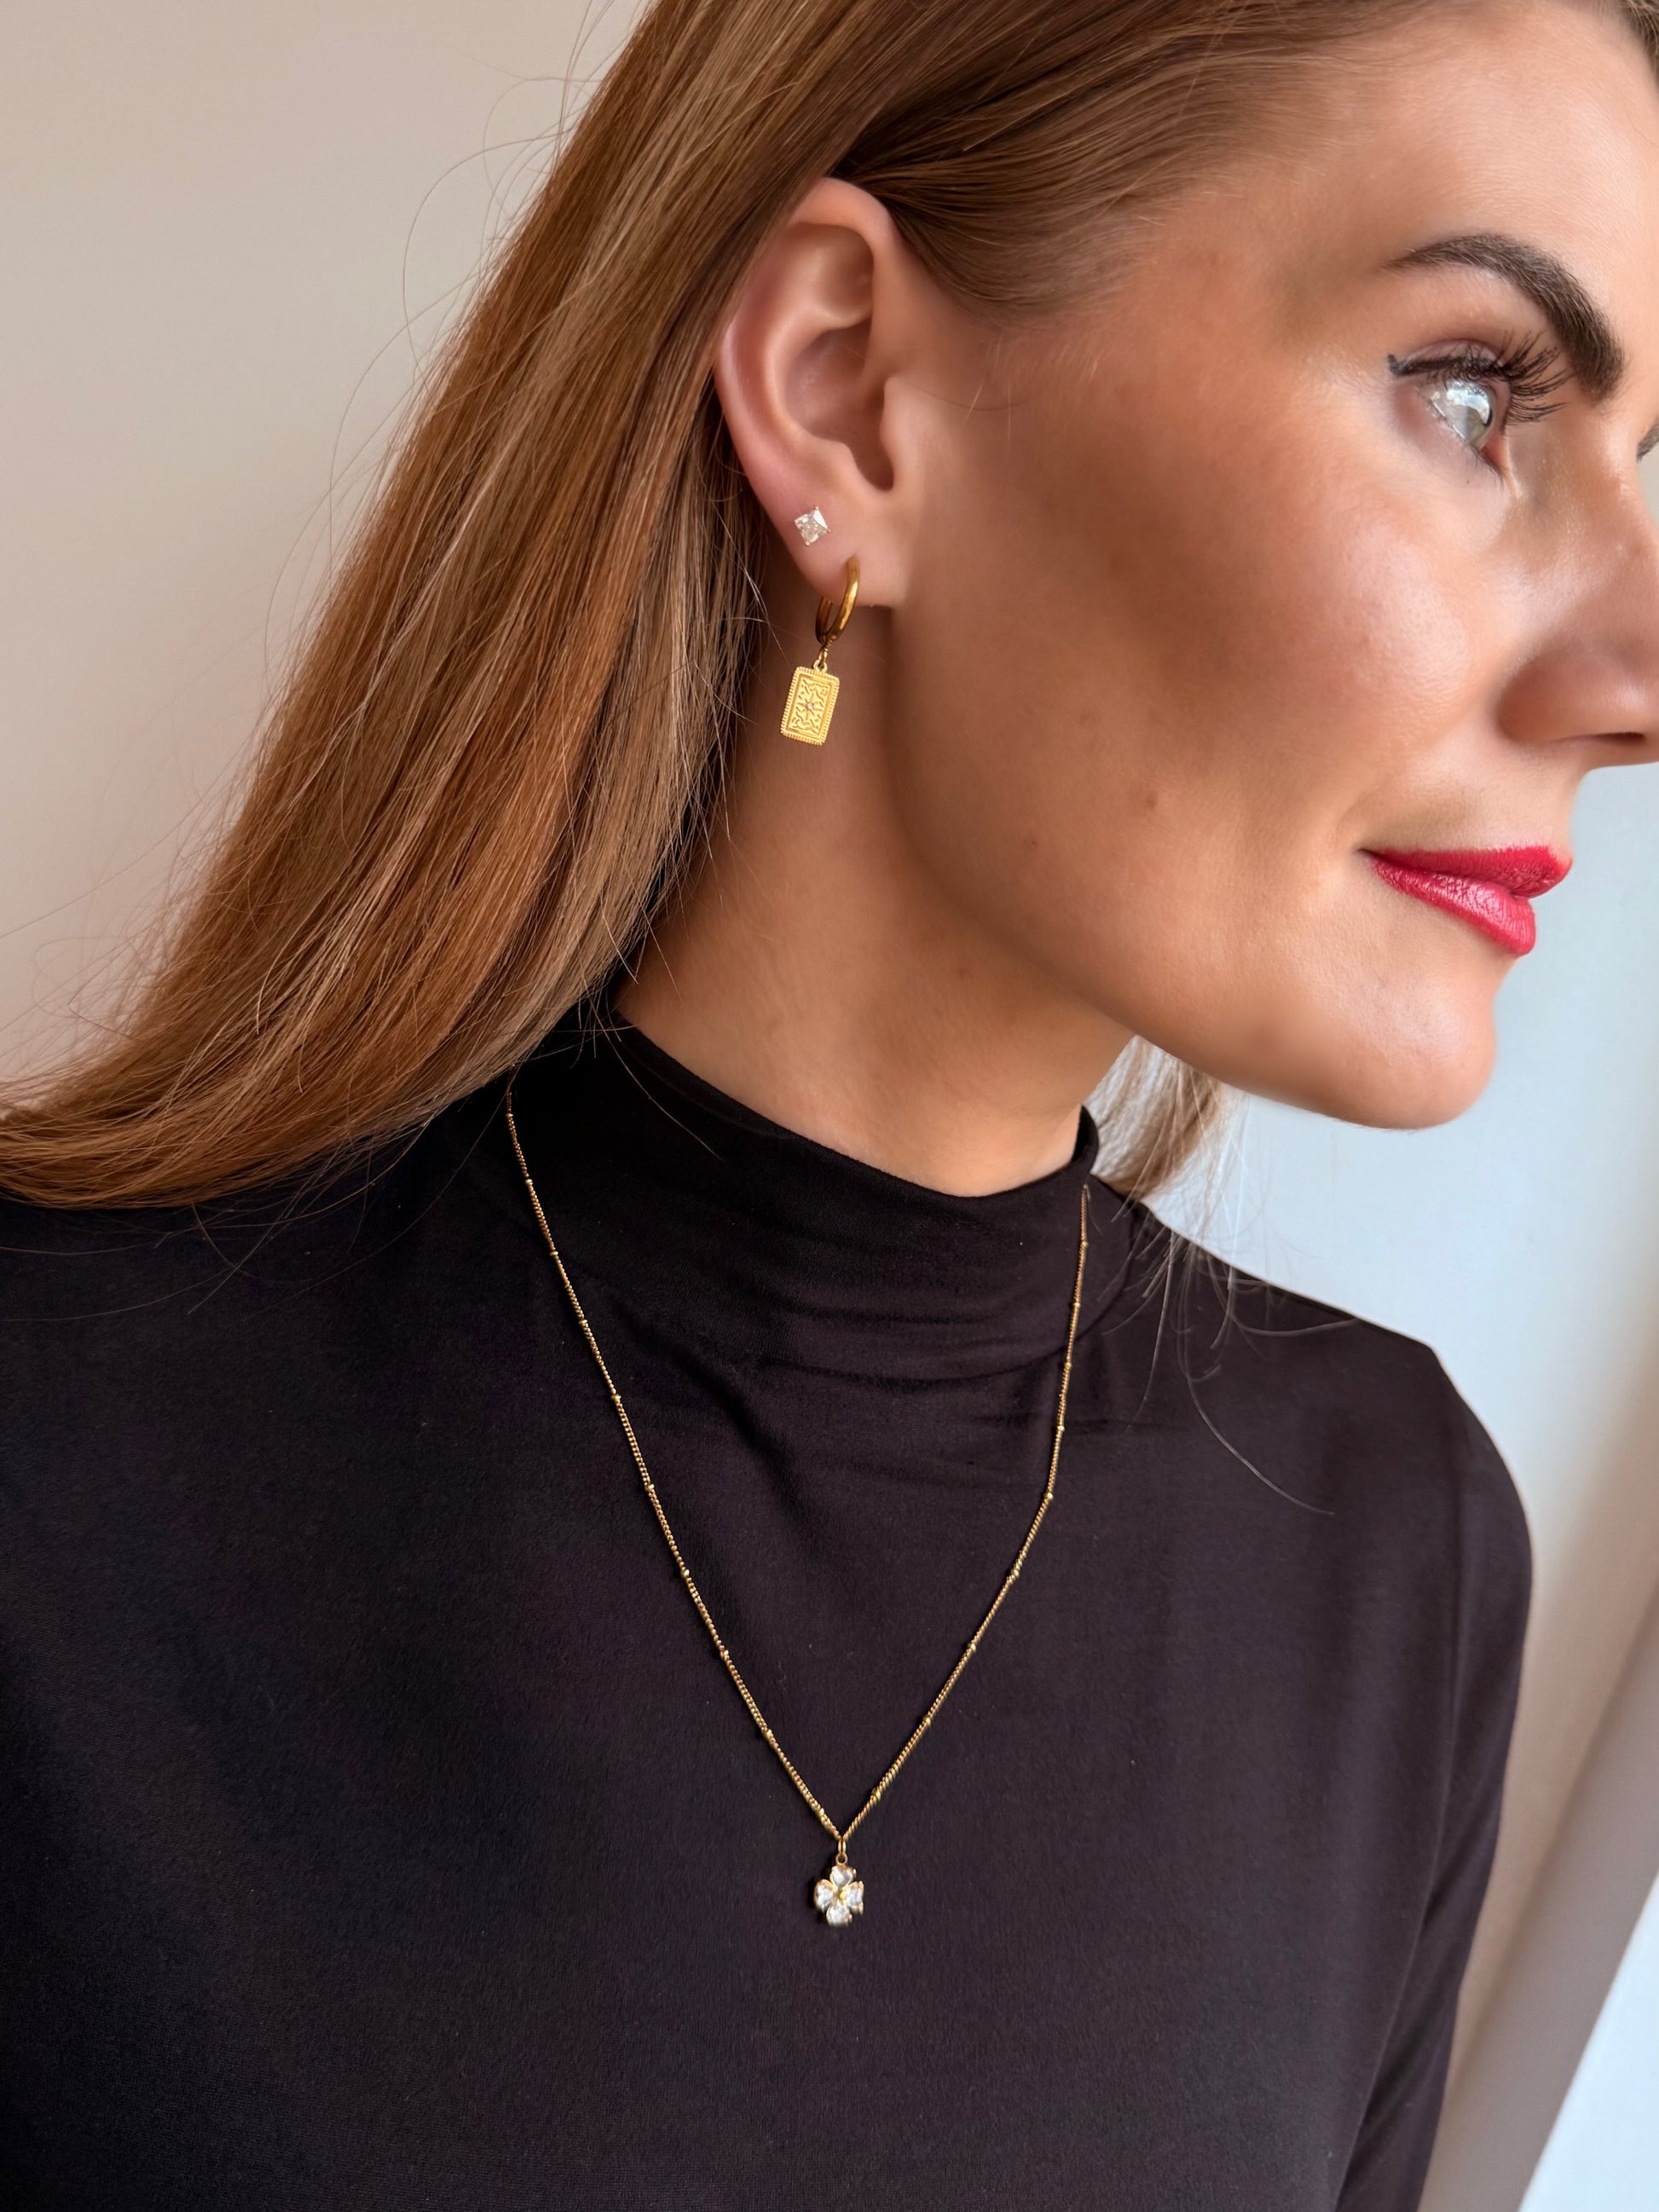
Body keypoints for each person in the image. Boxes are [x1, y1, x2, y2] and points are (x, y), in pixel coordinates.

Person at [4, 0, 1658, 2203]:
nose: (1633, 678)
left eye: (1648, 470)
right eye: (1472, 397)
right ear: (843, 390)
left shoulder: (1390, 1562)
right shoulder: (56, 1447)